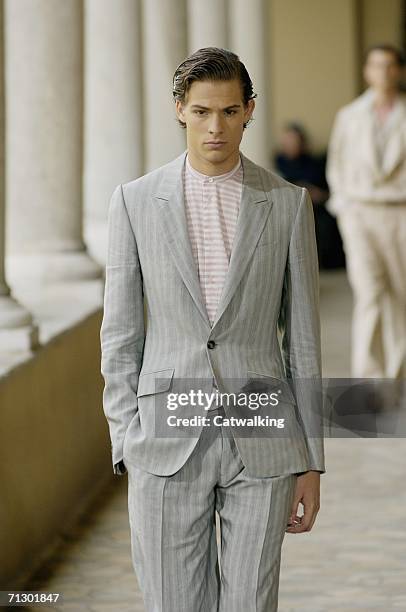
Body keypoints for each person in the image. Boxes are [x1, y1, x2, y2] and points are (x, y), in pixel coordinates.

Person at [100, 47, 325, 612]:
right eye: (202, 111)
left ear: (249, 110)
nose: (215, 126)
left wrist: (311, 459)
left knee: (252, 603)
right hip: (165, 440)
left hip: (263, 439)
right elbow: (121, 334)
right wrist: (127, 439)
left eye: (228, 111)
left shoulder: (288, 204)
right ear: (180, 110)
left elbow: (303, 342)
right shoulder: (133, 203)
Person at [326, 44, 406, 381]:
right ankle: (370, 379)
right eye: (376, 65)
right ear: (366, 71)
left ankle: (397, 374)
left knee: (401, 295)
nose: (383, 72)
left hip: (400, 211)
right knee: (369, 291)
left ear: (399, 71)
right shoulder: (349, 115)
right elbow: (337, 165)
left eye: (389, 66)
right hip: (360, 212)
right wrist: (345, 208)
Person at [275, 122, 345, 269]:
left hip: (315, 206)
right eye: (287, 140)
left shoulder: (313, 162)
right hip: (286, 206)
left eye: (294, 140)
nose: (290, 144)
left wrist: (316, 194)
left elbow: (324, 190)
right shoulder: (277, 161)